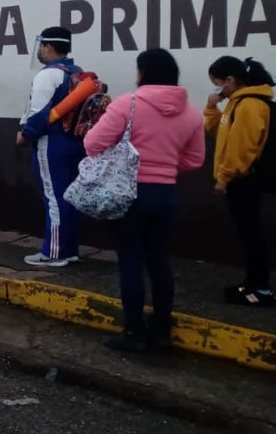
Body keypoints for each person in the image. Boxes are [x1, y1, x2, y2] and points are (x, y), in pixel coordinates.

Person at [85, 49, 205, 351]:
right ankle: (162, 330)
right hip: (165, 193)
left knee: (130, 262)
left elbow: (92, 143)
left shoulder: (129, 104)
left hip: (129, 192)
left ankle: (134, 332)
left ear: (143, 73)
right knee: (160, 262)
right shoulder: (192, 112)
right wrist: (163, 167)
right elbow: (194, 160)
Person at [205, 56, 275, 307]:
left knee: (251, 234)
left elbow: (242, 148)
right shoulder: (237, 104)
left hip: (245, 180)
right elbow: (221, 134)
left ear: (230, 80)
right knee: (247, 233)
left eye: (218, 84)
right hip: (239, 178)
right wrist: (212, 108)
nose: (218, 90)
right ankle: (252, 283)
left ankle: (261, 289)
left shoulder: (250, 105)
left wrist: (223, 178)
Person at [17, 26, 84, 268]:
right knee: (69, 196)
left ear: (48, 46)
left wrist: (25, 135)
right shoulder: (76, 72)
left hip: (51, 142)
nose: (40, 51)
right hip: (74, 142)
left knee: (54, 197)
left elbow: (38, 113)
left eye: (42, 46)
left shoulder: (48, 75)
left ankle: (54, 252)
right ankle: (69, 249)